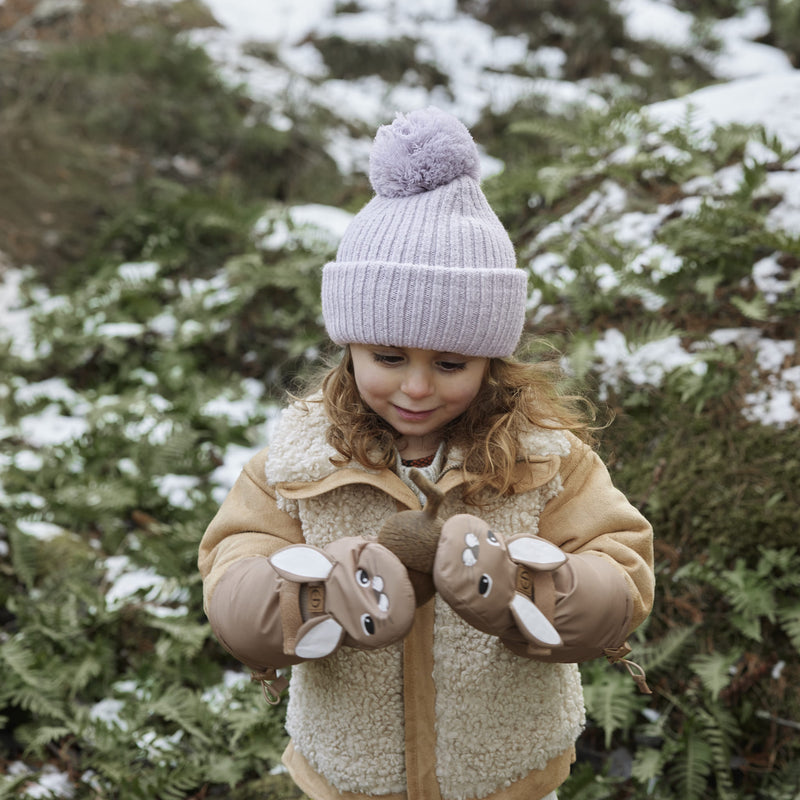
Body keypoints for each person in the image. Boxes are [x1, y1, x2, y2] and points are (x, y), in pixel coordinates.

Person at [198, 106, 655, 800]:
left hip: (506, 779)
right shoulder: (297, 465)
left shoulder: (545, 460)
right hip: (352, 780)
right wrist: (320, 594)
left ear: (492, 362)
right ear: (349, 345)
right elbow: (233, 596)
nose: (415, 387)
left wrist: (521, 590)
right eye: (387, 356)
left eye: (450, 362)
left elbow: (622, 580)